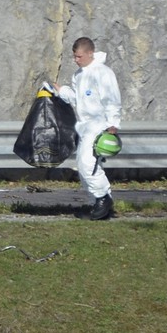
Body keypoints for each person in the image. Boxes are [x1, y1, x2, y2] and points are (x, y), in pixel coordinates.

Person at [46, 37, 122, 220]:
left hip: (99, 125)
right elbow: (77, 99)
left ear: (90, 53)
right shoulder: (78, 75)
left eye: (79, 56)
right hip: (84, 127)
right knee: (83, 165)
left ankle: (103, 198)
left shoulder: (103, 73)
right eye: (74, 57)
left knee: (88, 164)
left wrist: (113, 124)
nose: (76, 60)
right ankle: (99, 202)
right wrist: (60, 90)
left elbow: (112, 100)